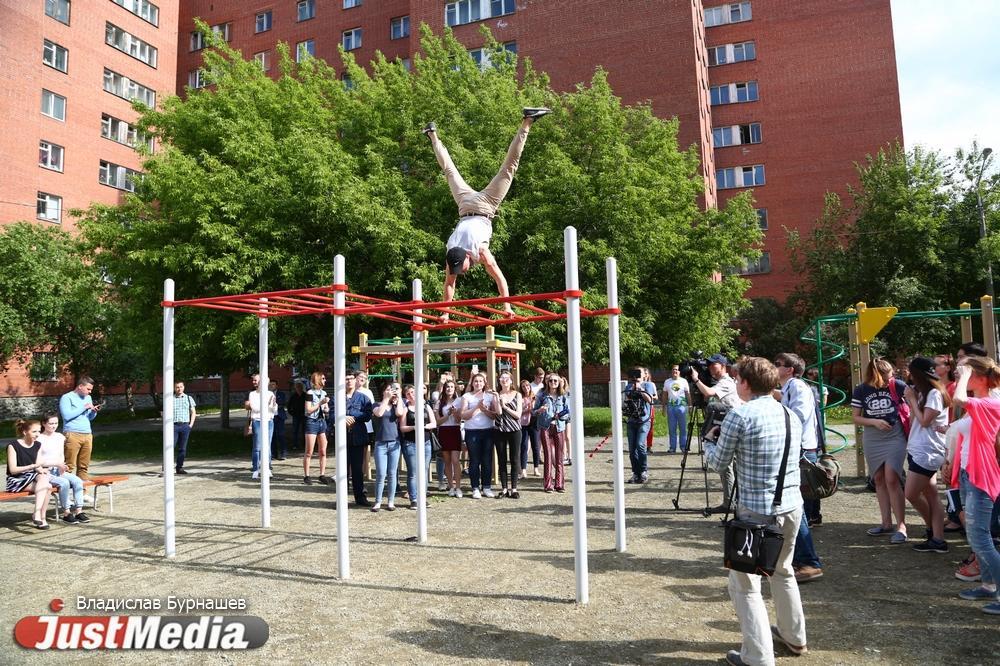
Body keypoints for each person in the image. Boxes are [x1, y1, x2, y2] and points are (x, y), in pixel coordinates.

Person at [704, 357, 807, 666]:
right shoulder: (789, 413)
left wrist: (709, 442)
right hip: (791, 506)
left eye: (738, 380)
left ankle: (757, 657)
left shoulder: (741, 415)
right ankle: (794, 637)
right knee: (783, 571)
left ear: (746, 383)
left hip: (756, 512)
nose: (736, 384)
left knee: (745, 585)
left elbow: (718, 464)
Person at [425, 108, 551, 314]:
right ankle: (432, 134)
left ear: (467, 257)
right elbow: (449, 285)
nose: (460, 273)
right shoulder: (451, 253)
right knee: (449, 171)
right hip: (465, 205)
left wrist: (507, 306)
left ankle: (528, 121)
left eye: (460, 268)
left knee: (509, 168)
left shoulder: (481, 252)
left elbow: (499, 277)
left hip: (484, 206)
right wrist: (445, 313)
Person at [945, 356, 1000, 615]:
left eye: (966, 373)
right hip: (969, 474)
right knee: (978, 536)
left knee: (981, 539)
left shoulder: (991, 402)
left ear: (978, 377)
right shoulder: (982, 402)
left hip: (982, 477)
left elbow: (959, 399)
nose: (959, 376)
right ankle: (988, 585)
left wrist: (964, 373)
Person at [774, 352, 824, 584]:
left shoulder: (798, 387)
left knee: (796, 506)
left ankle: (810, 562)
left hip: (802, 452)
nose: (774, 368)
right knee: (795, 507)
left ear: (790, 370)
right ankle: (800, 559)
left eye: (778, 365)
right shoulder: (789, 388)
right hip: (798, 450)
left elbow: (799, 416)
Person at [852, 357, 909, 543]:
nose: (890, 378)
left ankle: (902, 525)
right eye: (887, 375)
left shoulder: (897, 385)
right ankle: (886, 523)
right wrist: (874, 422)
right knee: (878, 479)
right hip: (873, 437)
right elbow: (856, 417)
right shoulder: (861, 390)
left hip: (895, 436)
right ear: (876, 374)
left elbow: (914, 402)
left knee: (892, 477)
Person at [902, 356, 952, 553]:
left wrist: (912, 400)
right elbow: (916, 419)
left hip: (928, 451)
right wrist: (913, 398)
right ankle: (937, 538)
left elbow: (924, 421)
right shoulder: (924, 392)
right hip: (919, 448)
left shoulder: (934, 394)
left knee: (911, 494)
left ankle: (932, 528)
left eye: (911, 372)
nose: (909, 376)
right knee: (931, 495)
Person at [690, 354, 741, 511]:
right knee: (728, 466)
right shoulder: (721, 382)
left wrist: (696, 379)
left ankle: (729, 503)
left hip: (730, 427)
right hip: (725, 425)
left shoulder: (725, 382)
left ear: (723, 366)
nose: (711, 368)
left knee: (726, 466)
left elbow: (708, 393)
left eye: (714, 365)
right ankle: (731, 502)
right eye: (709, 366)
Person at [37, 413, 88, 524]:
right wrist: (56, 464)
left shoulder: (60, 437)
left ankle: (79, 511)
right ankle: (66, 513)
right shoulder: (39, 439)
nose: (54, 426)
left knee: (78, 481)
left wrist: (62, 465)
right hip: (46, 471)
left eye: (56, 423)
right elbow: (38, 461)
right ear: (44, 424)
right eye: (51, 423)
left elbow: (61, 454)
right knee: (64, 483)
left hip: (59, 469)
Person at [6, 420, 54, 529]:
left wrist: (41, 469)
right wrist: (33, 466)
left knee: (44, 479)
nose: (37, 434)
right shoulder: (13, 445)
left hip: (31, 476)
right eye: (34, 431)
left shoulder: (38, 445)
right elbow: (13, 470)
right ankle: (41, 517)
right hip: (16, 480)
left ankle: (39, 515)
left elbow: (37, 465)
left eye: (39, 431)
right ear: (24, 432)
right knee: (47, 486)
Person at [400, 384, 437, 510]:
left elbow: (434, 423)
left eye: (412, 392)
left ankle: (423, 497)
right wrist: (414, 427)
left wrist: (425, 426)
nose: (411, 395)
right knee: (413, 472)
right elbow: (402, 428)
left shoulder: (426, 406)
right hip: (411, 443)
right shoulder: (406, 409)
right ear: (406, 396)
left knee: (424, 470)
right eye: (408, 393)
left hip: (425, 442)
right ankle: (414, 499)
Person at [59, 376, 102, 484]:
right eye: (88, 389)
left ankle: (82, 493)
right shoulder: (66, 397)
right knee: (69, 465)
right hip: (72, 433)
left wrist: (94, 411)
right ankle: (65, 494)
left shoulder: (88, 398)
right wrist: (84, 407)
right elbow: (66, 416)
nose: (90, 392)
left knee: (84, 466)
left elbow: (89, 418)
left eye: (91, 389)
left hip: (87, 434)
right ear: (80, 386)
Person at [461, 372, 497, 499]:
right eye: (476, 381)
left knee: (487, 460)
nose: (478, 383)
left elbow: (494, 415)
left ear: (484, 383)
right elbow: (463, 415)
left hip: (488, 430)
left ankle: (486, 486)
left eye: (481, 381)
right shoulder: (466, 396)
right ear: (472, 383)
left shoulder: (489, 396)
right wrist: (477, 407)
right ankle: (475, 487)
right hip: (472, 431)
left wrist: (485, 410)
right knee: (474, 460)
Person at [341, 371, 374, 507]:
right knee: (342, 470)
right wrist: (342, 418)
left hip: (358, 437)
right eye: (346, 379)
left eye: (351, 379)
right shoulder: (337, 398)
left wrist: (352, 416)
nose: (349, 381)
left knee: (357, 470)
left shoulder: (363, 398)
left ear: (356, 381)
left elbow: (367, 415)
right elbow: (331, 415)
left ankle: (360, 497)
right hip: (342, 439)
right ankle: (342, 498)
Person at [535, 372, 571, 493]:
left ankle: (559, 484)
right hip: (545, 427)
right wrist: (540, 410)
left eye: (556, 381)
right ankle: (548, 484)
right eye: (551, 381)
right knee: (548, 456)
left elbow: (568, 413)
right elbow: (533, 412)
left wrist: (560, 416)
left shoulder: (563, 396)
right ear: (547, 382)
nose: (553, 383)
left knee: (559, 457)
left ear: (559, 382)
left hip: (559, 427)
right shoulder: (542, 395)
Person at [492, 370, 523, 498]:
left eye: (507, 378)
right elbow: (498, 413)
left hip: (515, 429)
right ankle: (504, 489)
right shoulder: (497, 394)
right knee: (502, 459)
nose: (504, 380)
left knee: (515, 459)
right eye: (502, 378)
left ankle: (514, 488)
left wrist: (505, 407)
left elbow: (518, 415)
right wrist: (498, 400)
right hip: (500, 430)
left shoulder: (517, 395)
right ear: (499, 381)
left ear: (511, 381)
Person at [371, 383, 402, 512]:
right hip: (381, 443)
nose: (390, 392)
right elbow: (379, 413)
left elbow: (400, 413)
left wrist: (398, 398)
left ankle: (391, 501)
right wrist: (386, 399)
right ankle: (378, 501)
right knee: (381, 473)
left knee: (392, 473)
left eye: (392, 390)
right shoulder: (376, 405)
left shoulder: (395, 406)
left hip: (394, 443)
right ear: (383, 392)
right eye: (388, 390)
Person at [624, 367, 654, 484]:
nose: (636, 376)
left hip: (644, 420)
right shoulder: (629, 385)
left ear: (644, 375)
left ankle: (643, 471)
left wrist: (640, 389)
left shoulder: (648, 385)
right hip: (632, 420)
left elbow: (650, 399)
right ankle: (635, 473)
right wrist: (633, 387)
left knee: (640, 445)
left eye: (639, 373)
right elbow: (628, 397)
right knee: (632, 449)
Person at [244, 373, 276, 480]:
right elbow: (255, 408)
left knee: (267, 445)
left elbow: (273, 410)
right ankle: (256, 468)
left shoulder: (270, 394)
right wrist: (266, 405)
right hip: (257, 421)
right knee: (257, 445)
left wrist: (272, 405)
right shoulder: (253, 394)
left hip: (269, 421)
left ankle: (267, 468)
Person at [436, 379, 464, 497]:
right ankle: (451, 487)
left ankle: (458, 487)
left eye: (452, 387)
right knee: (446, 461)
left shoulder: (459, 401)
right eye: (447, 387)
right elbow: (438, 421)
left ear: (455, 388)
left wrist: (455, 413)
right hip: (444, 431)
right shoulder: (439, 402)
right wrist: (448, 414)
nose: (449, 389)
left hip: (455, 430)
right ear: (444, 388)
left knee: (455, 460)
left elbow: (459, 419)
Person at [302, 372, 330, 485]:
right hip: (311, 422)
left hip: (321, 421)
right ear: (317, 379)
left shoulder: (324, 393)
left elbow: (326, 408)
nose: (325, 380)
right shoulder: (309, 393)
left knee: (323, 450)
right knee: (309, 451)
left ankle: (322, 474)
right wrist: (320, 403)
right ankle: (307, 475)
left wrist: (326, 409)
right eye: (323, 378)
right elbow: (308, 410)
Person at [166, 381, 196, 474]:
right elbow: (164, 412)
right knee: (169, 447)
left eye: (181, 387)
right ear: (174, 388)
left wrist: (190, 425)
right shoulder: (170, 398)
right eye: (177, 387)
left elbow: (193, 412)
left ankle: (179, 468)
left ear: (184, 387)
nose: (179, 389)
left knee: (182, 448)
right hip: (173, 426)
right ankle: (166, 469)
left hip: (184, 426)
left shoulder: (188, 398)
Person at [662, 365, 691, 453]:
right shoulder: (667, 382)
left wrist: (690, 406)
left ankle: (683, 447)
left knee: (683, 428)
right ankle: (672, 447)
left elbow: (688, 394)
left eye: (677, 370)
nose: (675, 371)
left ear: (679, 372)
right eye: (674, 369)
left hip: (681, 406)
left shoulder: (684, 381)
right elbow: (664, 395)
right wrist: (664, 407)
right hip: (671, 407)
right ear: (671, 371)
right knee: (672, 428)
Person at [519, 379, 541, 477]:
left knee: (535, 446)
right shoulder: (520, 398)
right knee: (523, 446)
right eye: (523, 386)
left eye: (527, 386)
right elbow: (518, 412)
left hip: (534, 423)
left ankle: (536, 468)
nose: (526, 388)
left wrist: (534, 409)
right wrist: (526, 409)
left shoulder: (535, 397)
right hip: (523, 424)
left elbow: (537, 411)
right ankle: (523, 469)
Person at [287, 381, 306, 453]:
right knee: (295, 430)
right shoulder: (293, 396)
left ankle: (304, 444)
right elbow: (289, 406)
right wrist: (292, 413)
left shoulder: (305, 395)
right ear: (295, 388)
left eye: (299, 387)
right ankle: (295, 445)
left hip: (304, 416)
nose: (298, 388)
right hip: (296, 416)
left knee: (304, 430)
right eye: (297, 387)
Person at [270, 380, 287, 461]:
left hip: (280, 416)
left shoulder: (281, 394)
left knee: (281, 435)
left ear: (277, 385)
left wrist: (274, 403)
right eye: (271, 384)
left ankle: (283, 453)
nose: (272, 386)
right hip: (271, 417)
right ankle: (274, 454)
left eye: (273, 384)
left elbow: (282, 402)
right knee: (272, 435)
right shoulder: (268, 394)